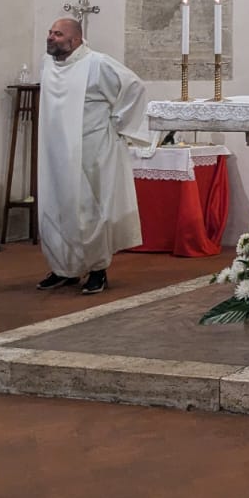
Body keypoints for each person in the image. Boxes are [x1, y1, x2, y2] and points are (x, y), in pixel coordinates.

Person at [36, 17, 152, 294]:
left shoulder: (97, 63)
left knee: (88, 211)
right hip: (55, 150)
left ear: (75, 39)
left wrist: (118, 122)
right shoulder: (47, 63)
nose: (50, 37)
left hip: (90, 149)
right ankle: (64, 268)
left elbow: (134, 87)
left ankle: (98, 270)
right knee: (54, 207)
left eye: (58, 34)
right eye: (50, 32)